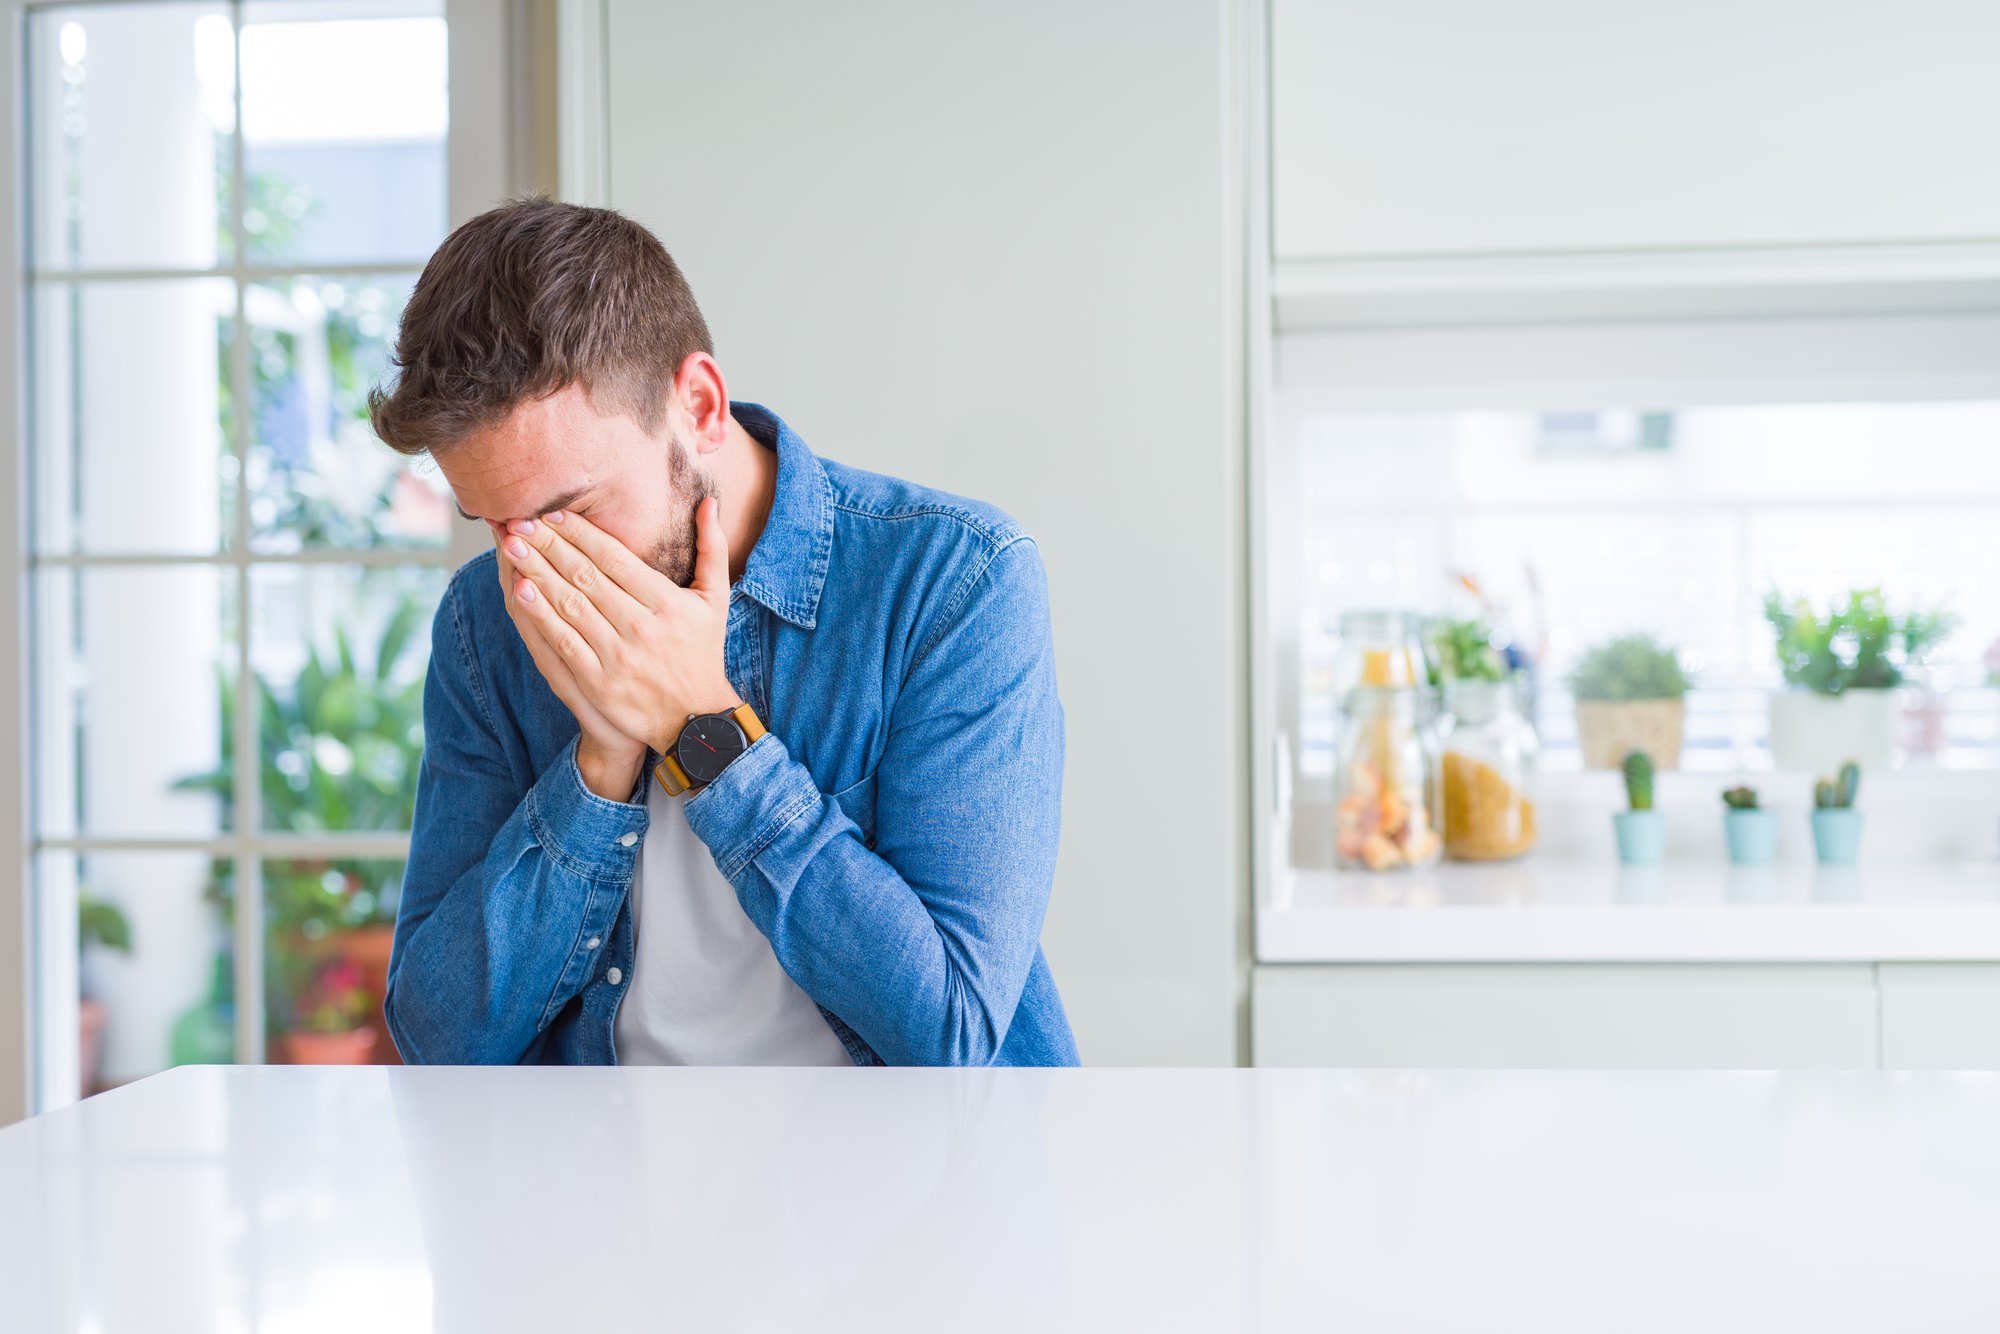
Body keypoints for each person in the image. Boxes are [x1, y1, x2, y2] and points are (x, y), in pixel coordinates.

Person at [367, 197, 1076, 1066]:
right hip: (604, 1184)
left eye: (570, 511)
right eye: (494, 524)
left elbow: (949, 1035)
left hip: (910, 1190)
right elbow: (438, 1039)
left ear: (699, 406)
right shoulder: (486, 622)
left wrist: (705, 732)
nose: (536, 571)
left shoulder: (955, 582)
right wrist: (598, 767)